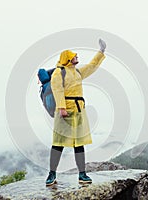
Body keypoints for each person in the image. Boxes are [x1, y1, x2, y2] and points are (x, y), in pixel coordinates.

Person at [45, 39, 107, 186]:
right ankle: (52, 173)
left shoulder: (77, 72)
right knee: (58, 143)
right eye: (75, 56)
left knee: (79, 143)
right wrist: (61, 107)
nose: (77, 58)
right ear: (67, 58)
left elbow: (92, 67)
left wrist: (101, 52)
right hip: (64, 112)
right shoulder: (59, 73)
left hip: (78, 111)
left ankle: (82, 174)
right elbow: (57, 89)